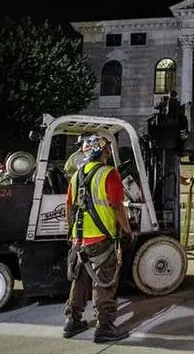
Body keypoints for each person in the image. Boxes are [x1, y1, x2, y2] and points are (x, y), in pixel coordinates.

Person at [63, 134, 132, 343]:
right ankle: (105, 327)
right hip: (102, 238)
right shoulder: (109, 173)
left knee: (80, 280)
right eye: (107, 150)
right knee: (104, 283)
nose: (108, 153)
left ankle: (72, 321)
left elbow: (69, 206)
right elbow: (116, 205)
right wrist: (127, 230)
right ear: (100, 152)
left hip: (80, 239)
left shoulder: (76, 175)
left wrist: (72, 233)